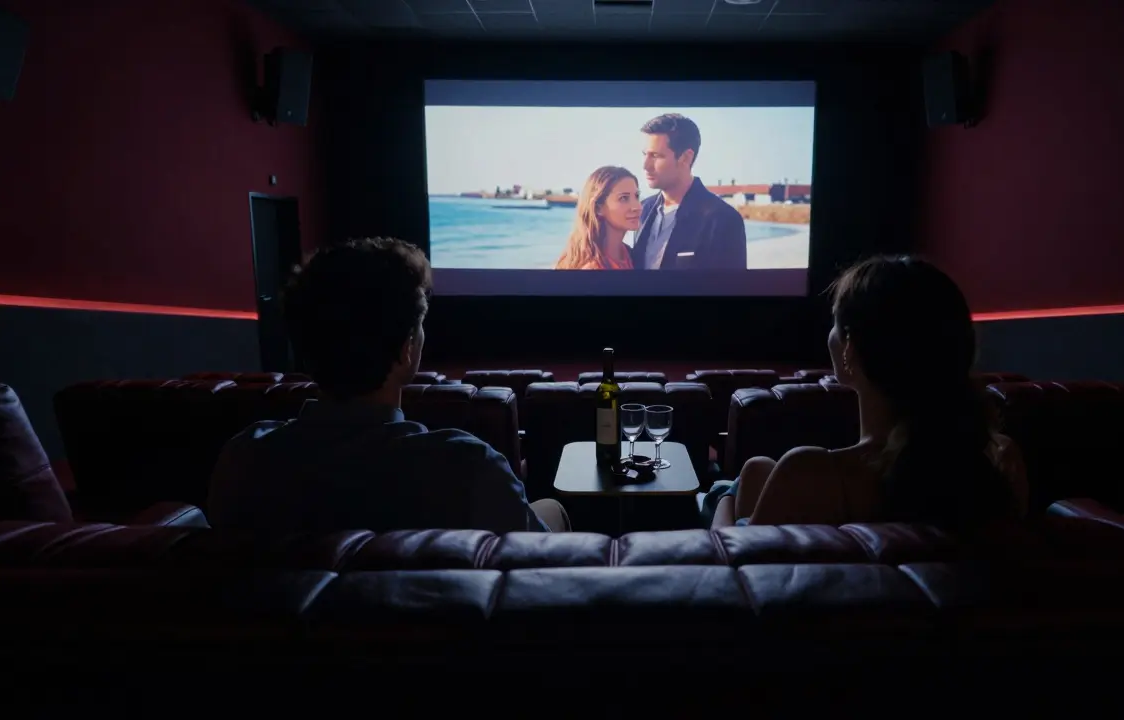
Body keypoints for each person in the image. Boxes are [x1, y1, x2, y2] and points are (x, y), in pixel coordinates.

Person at [207, 237, 570, 534]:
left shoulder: (244, 460)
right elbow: (531, 558)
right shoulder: (468, 467)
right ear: (407, 348)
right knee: (551, 510)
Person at [711, 255, 1027, 535]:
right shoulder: (1001, 459)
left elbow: (729, 563)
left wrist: (725, 495)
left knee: (743, 481)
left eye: (835, 323)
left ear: (849, 347)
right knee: (757, 469)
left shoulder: (807, 474)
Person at [631, 113, 748, 271]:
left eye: (656, 156)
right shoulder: (643, 209)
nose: (645, 165)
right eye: (645, 154)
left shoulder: (723, 219)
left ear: (686, 158)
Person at [553, 166, 642, 270]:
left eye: (636, 196)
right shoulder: (593, 267)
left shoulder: (628, 255)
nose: (637, 207)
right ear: (598, 208)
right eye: (623, 198)